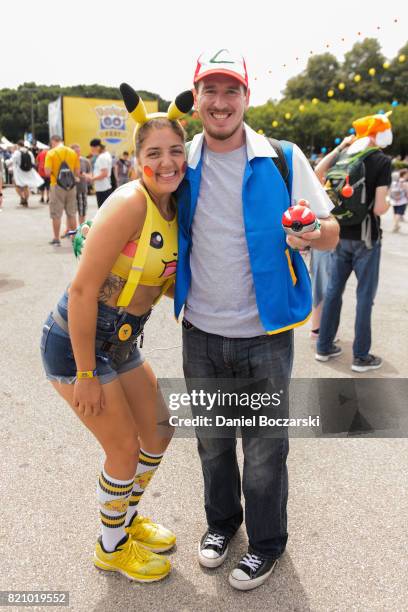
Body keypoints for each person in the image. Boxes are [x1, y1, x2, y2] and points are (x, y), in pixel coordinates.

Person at [174, 48, 338, 591]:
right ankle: (222, 525)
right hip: (199, 330)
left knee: (266, 449)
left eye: (231, 91)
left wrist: (312, 233)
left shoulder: (282, 157)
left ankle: (266, 543)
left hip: (264, 336)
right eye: (210, 91)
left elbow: (332, 229)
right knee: (213, 441)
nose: (221, 103)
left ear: (248, 96)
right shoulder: (182, 163)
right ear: (195, 97)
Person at [40, 85, 193, 582]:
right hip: (76, 341)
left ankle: (124, 517)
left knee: (159, 430)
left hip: (124, 340)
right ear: (137, 158)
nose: (167, 161)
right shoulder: (130, 202)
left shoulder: (176, 209)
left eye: (175, 151)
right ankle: (112, 546)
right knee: (124, 445)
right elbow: (83, 291)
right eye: (154, 153)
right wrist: (85, 372)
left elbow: (157, 280)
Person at [315, 112, 392, 372]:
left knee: (334, 291)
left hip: (340, 235)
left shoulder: (345, 156)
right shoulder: (381, 161)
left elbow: (318, 171)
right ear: (379, 134)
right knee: (364, 297)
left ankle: (323, 347)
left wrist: (340, 146)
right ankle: (361, 357)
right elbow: (380, 208)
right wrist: (389, 202)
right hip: (367, 240)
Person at [309, 135, 355, 339]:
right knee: (325, 283)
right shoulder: (326, 184)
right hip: (326, 237)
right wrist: (341, 148)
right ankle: (319, 330)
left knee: (323, 281)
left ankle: (318, 328)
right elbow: (317, 171)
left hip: (330, 235)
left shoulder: (338, 183)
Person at [44, 135, 80, 246]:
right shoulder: (72, 152)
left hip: (56, 186)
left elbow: (47, 172)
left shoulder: (51, 153)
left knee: (56, 214)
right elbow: (77, 172)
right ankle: (74, 237)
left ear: (53, 141)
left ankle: (56, 238)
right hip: (71, 186)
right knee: (72, 213)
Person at [11, 140, 43, 207]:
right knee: (26, 187)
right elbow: (33, 162)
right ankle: (26, 201)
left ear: (18, 145)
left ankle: (22, 198)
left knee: (17, 186)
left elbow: (13, 162)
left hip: (19, 172)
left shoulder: (17, 152)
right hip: (28, 172)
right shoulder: (29, 152)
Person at [83, 139, 113, 208]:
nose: (92, 152)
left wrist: (92, 178)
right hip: (105, 187)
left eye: (93, 149)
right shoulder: (106, 155)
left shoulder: (102, 157)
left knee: (103, 211)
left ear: (98, 147)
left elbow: (104, 173)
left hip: (103, 189)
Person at [70, 144, 91, 224]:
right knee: (71, 213)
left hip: (82, 189)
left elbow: (90, 174)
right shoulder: (69, 161)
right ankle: (70, 230)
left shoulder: (85, 161)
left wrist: (85, 176)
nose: (78, 153)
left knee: (82, 211)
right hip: (70, 190)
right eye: (76, 152)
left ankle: (81, 230)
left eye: (79, 151)